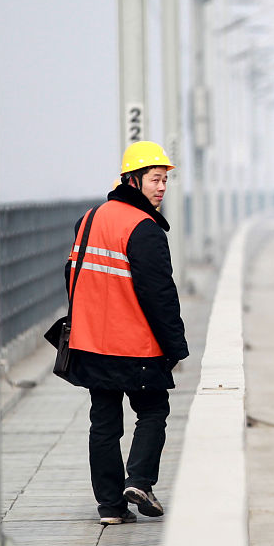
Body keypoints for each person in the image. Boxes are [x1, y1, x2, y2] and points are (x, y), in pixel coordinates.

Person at [64, 141, 189, 526]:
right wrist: (176, 347)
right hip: (134, 344)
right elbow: (159, 294)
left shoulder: (90, 218)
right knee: (153, 409)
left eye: (165, 180)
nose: (162, 187)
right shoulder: (144, 229)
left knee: (103, 421)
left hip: (90, 342)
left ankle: (111, 507)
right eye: (155, 179)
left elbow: (72, 275)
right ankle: (139, 482)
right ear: (133, 181)